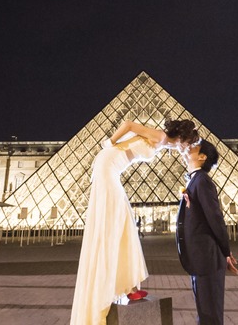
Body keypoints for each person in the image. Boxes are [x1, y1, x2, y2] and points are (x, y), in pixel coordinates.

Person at [70, 118, 199, 325]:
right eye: (188, 143)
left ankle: (129, 287)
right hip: (108, 168)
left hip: (111, 169)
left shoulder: (163, 142)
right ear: (181, 138)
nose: (186, 148)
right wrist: (109, 142)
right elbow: (129, 124)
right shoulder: (160, 136)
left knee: (123, 223)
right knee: (117, 222)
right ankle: (126, 286)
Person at [176, 139, 238, 325]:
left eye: (194, 146)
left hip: (207, 259)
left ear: (202, 157)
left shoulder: (202, 181)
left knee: (209, 315)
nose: (188, 147)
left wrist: (226, 252)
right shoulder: (196, 180)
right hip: (201, 259)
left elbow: (216, 219)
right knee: (205, 313)